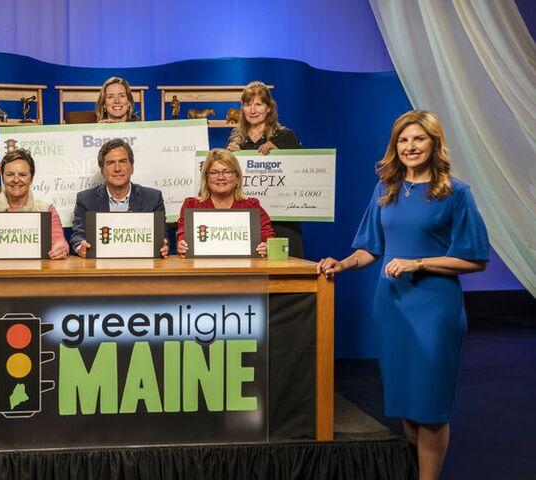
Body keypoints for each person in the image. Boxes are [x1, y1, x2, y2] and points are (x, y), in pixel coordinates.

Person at [316, 110, 489, 480]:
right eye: (403, 140)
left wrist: (419, 262)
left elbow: (475, 260)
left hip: (435, 311)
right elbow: (370, 248)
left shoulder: (456, 193)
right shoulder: (386, 189)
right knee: (407, 406)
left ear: (434, 143)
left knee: (431, 408)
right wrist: (342, 264)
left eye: (418, 139)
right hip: (391, 308)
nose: (410, 147)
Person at [226, 80, 303, 258]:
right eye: (247, 105)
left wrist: (280, 154)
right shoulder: (235, 142)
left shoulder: (286, 137)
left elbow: (300, 177)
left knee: (285, 278)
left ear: (268, 108)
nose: (252, 110)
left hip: (282, 222)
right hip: (246, 222)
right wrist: (230, 159)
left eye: (258, 104)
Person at [71, 138, 167, 258]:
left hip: (140, 266)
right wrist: (81, 248)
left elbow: (162, 237)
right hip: (101, 268)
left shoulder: (153, 198)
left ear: (132, 168)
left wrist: (163, 245)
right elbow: (78, 236)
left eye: (123, 161)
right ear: (102, 171)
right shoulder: (85, 199)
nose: (117, 168)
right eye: (111, 163)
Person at [176, 148, 273, 257]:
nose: (221, 177)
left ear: (237, 178)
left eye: (227, 172)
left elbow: (268, 237)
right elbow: (183, 236)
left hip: (243, 268)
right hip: (202, 268)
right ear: (206, 178)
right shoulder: (191, 205)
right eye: (214, 172)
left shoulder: (251, 205)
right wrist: (182, 244)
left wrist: (266, 246)